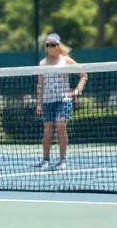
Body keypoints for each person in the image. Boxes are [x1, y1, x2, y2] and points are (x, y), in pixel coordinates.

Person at [36, 33, 86, 171]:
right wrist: (39, 103)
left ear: (58, 46)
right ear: (45, 47)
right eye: (48, 45)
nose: (50, 47)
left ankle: (62, 160)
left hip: (63, 100)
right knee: (47, 130)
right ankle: (45, 160)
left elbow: (83, 74)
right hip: (47, 101)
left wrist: (77, 90)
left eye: (53, 44)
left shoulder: (66, 60)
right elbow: (40, 85)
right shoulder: (42, 64)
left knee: (60, 126)